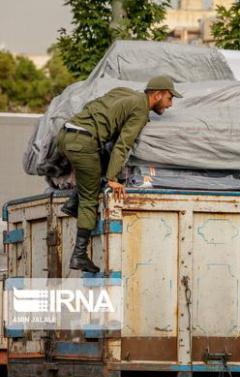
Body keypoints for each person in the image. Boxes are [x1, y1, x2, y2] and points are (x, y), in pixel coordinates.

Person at [57, 76, 182, 273]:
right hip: (83, 142)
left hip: (67, 134)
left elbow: (97, 104)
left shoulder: (125, 92)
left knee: (97, 167)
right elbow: (122, 147)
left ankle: (73, 204)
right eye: (169, 98)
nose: (170, 104)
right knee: (90, 198)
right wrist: (113, 180)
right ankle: (79, 255)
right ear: (157, 95)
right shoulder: (140, 111)